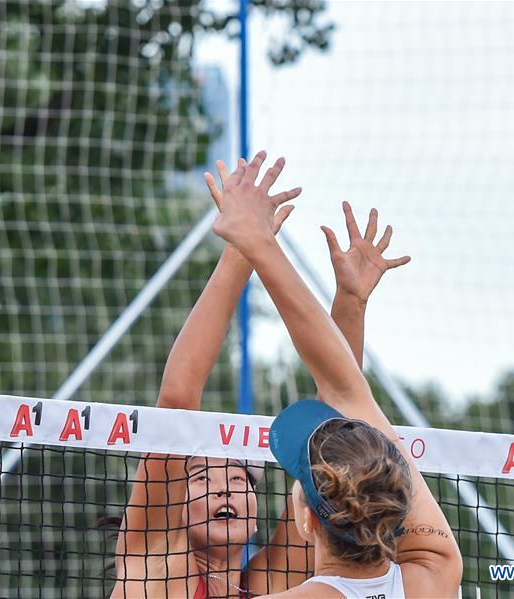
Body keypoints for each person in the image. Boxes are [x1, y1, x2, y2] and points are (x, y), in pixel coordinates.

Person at [110, 150, 415, 598]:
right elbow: (176, 403)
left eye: (238, 480)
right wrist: (242, 249)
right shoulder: (154, 564)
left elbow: (331, 432)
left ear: (259, 508)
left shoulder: (271, 584)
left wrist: (351, 302)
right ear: (174, 504)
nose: (224, 491)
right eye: (201, 479)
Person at [212, 153, 463, 598]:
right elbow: (344, 388)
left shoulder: (434, 568)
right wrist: (348, 302)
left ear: (304, 519)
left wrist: (255, 243)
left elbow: (345, 390)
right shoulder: (435, 576)